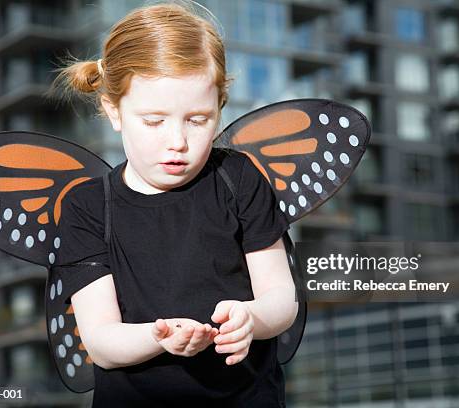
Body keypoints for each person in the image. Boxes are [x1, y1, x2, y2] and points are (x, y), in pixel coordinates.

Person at [52, 1, 298, 406]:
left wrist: (251, 318)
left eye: (197, 119)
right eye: (154, 121)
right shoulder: (87, 207)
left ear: (219, 108)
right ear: (114, 111)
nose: (177, 141)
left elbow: (281, 299)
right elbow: (101, 342)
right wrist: (158, 337)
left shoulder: (239, 179)